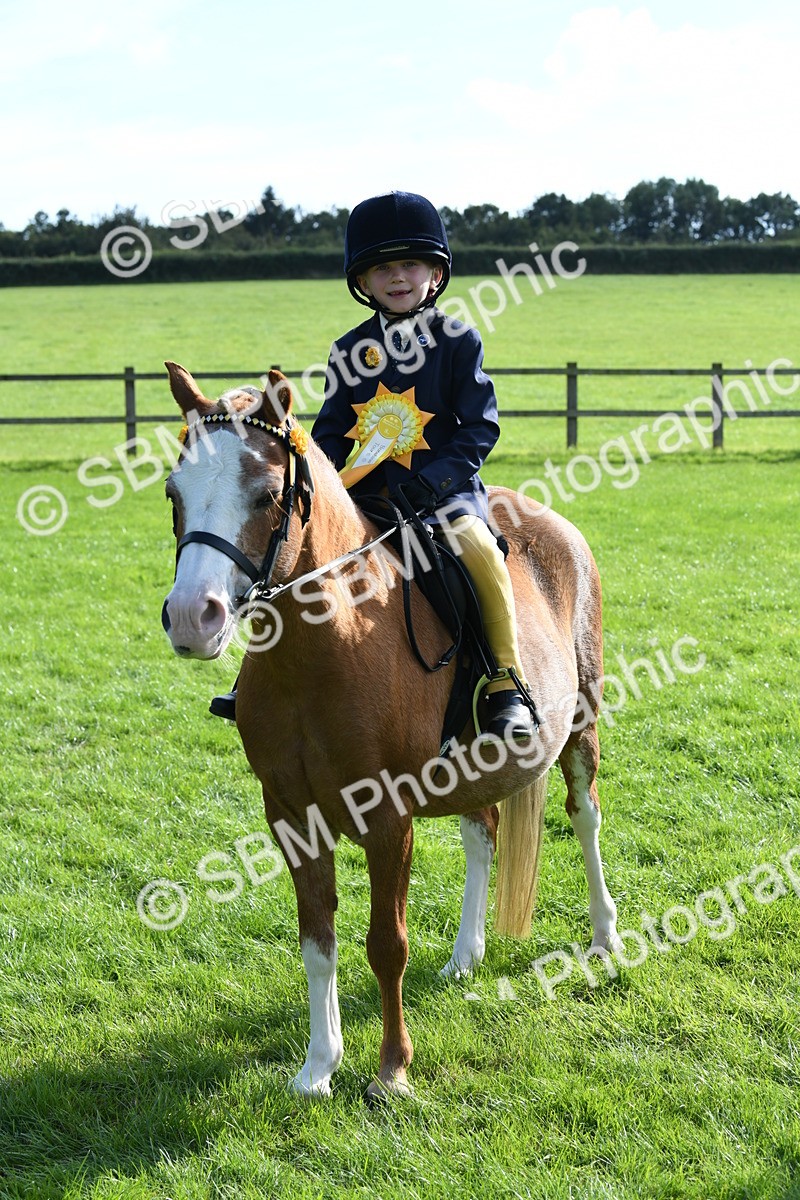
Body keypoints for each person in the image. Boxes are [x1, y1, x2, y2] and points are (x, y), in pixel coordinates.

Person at [211, 190, 533, 740]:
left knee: (479, 551)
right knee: (287, 557)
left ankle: (506, 682)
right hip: (363, 494)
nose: (398, 277)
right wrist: (317, 483)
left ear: (436, 273)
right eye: (383, 267)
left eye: (412, 264)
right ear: (363, 281)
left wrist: (435, 483)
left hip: (444, 495)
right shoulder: (349, 351)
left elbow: (480, 428)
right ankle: (252, 678)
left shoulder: (458, 341)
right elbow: (331, 433)